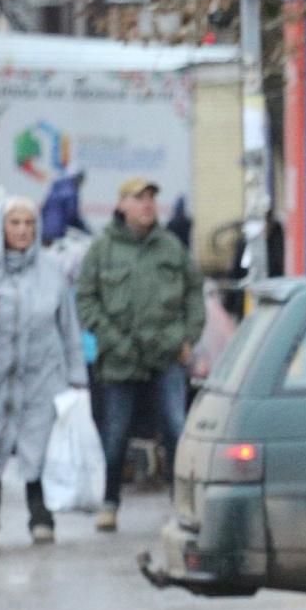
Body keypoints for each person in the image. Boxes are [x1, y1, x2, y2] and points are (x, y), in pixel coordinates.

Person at [73, 178, 204, 532]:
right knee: (114, 435)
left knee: (177, 429)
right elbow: (85, 298)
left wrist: (188, 335)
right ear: (122, 206)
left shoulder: (170, 247)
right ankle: (110, 502)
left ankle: (182, 505)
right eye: (139, 198)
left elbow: (195, 290)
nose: (147, 205)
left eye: (151, 199)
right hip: (120, 357)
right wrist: (109, 337)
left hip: (166, 354)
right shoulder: (103, 249)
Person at [0, 197, 88, 544]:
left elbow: (68, 325)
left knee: (39, 446)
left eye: (29, 223)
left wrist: (76, 377)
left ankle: (41, 517)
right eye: (15, 223)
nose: (23, 230)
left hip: (42, 377)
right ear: (0, 227)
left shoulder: (51, 269)